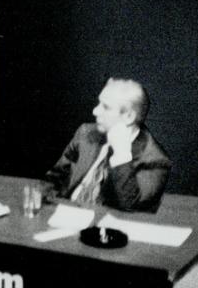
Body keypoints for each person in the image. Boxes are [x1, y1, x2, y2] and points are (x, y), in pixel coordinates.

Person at [44, 79, 170, 213]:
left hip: (108, 228)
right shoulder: (85, 133)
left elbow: (132, 208)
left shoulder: (156, 160)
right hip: (64, 214)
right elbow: (54, 179)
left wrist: (121, 156)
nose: (95, 111)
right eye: (99, 103)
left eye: (106, 107)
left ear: (128, 116)